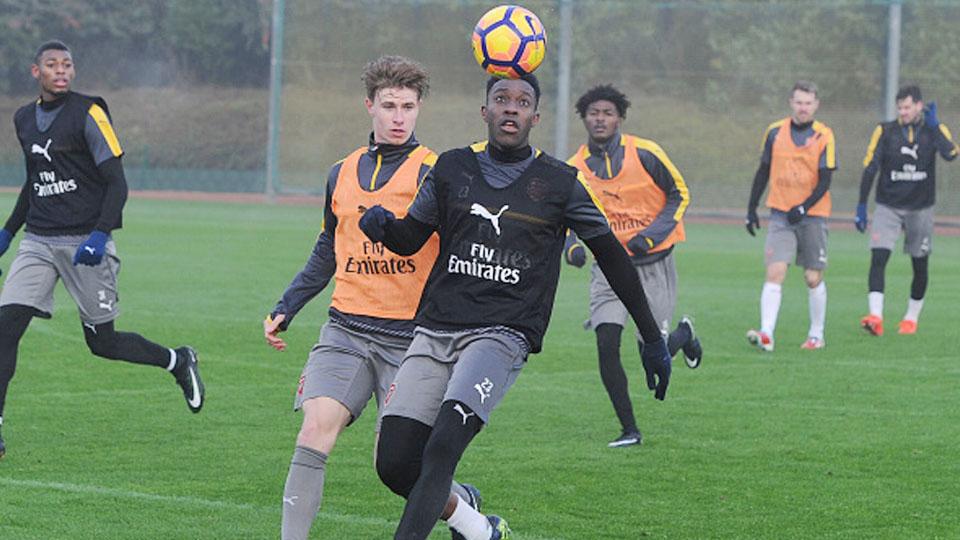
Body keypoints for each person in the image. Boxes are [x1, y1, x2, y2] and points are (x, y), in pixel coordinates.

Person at [358, 74, 672, 540]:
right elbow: (410, 240)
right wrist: (383, 227)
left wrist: (651, 338)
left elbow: (612, 256)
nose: (511, 108)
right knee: (396, 463)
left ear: (535, 118)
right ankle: (479, 529)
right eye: (501, 99)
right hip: (436, 329)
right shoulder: (450, 169)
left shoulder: (561, 183)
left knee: (443, 447)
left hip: (501, 334)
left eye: (522, 102)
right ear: (484, 111)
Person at [262, 56, 481, 540]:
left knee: (401, 469)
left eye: (407, 106)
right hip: (346, 328)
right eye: (389, 105)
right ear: (370, 107)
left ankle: (465, 511)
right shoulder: (340, 172)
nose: (398, 116)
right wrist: (288, 304)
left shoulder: (437, 172)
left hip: (413, 341)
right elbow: (329, 245)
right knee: (314, 430)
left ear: (419, 108)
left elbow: (459, 254)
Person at [0, 40, 204, 460]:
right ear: (35, 72)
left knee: (103, 343)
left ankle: (178, 360)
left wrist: (99, 234)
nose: (62, 71)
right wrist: (8, 232)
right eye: (52, 65)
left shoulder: (89, 112)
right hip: (38, 241)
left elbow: (117, 182)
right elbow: (35, 181)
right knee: (5, 328)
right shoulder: (23, 119)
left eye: (68, 64)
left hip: (84, 243)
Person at [563, 84, 701, 448]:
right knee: (606, 342)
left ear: (620, 118)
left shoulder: (646, 152)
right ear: (584, 118)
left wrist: (650, 236)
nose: (600, 118)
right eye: (593, 113)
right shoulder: (573, 168)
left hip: (654, 264)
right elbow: (561, 215)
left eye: (607, 112)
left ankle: (683, 334)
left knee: (650, 351)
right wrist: (572, 247)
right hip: (609, 269)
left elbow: (680, 194)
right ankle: (629, 430)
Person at [856, 85, 958, 336]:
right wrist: (861, 204)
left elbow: (951, 154)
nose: (902, 112)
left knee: (919, 264)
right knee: (878, 257)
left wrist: (935, 127)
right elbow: (870, 167)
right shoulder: (885, 130)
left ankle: (910, 319)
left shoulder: (934, 129)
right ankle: (875, 317)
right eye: (899, 107)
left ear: (919, 106)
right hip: (888, 206)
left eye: (907, 107)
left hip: (920, 208)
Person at [745, 80, 836, 352]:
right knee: (775, 271)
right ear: (791, 103)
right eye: (799, 102)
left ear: (816, 105)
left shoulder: (825, 136)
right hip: (781, 215)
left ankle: (816, 335)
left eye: (808, 103)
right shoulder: (774, 132)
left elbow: (825, 180)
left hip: (814, 215)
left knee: (812, 277)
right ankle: (767, 334)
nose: (803, 107)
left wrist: (804, 207)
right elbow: (763, 171)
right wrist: (751, 208)